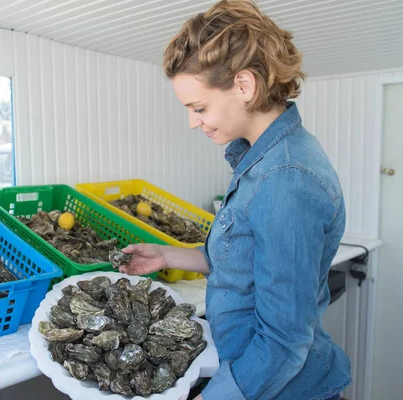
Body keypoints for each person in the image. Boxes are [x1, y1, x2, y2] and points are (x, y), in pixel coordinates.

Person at [120, 1, 350, 399]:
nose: (193, 122)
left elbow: (283, 342)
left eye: (199, 107)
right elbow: (241, 259)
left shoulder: (285, 180)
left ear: (244, 85)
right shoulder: (259, 157)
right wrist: (168, 255)